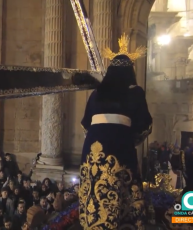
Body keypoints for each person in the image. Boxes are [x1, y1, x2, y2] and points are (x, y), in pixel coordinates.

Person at [79, 46, 152, 229]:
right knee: (122, 187)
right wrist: (129, 138)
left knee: (94, 190)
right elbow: (145, 126)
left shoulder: (96, 93)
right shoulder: (135, 92)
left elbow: (85, 125)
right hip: (120, 143)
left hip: (92, 145)